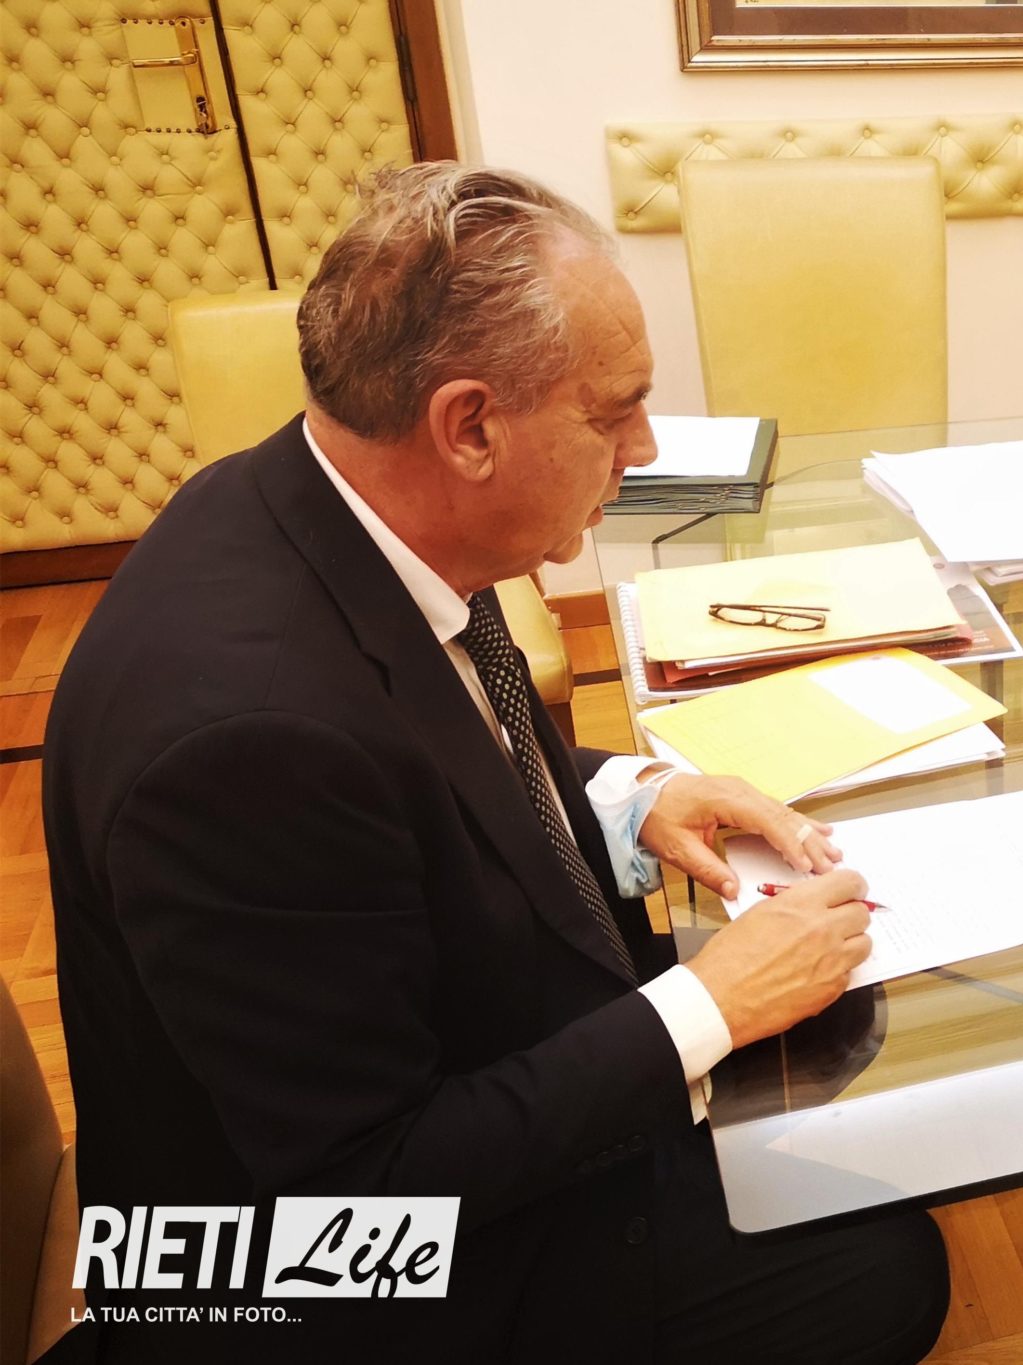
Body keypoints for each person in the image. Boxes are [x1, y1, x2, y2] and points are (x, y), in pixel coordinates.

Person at [44, 163, 949, 1364]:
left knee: (834, 1069)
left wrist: (632, 799)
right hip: (307, 1286)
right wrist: (709, 1007)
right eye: (613, 412)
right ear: (468, 426)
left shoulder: (306, 507)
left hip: (397, 1099)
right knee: (886, 1266)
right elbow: (361, 1193)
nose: (643, 447)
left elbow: (432, 748)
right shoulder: (248, 749)